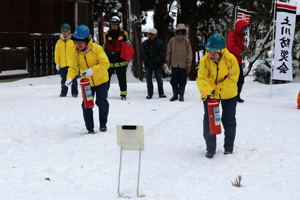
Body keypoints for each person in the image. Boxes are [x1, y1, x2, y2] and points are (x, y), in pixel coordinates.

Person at [197, 33, 240, 158]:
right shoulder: (205, 61)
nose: (211, 55)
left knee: (228, 120)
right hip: (211, 94)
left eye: (214, 52)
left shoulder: (231, 60)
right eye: (209, 51)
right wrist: (208, 92)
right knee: (210, 120)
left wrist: (217, 89)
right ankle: (210, 148)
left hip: (228, 94)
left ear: (221, 51)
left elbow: (232, 79)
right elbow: (202, 78)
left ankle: (228, 147)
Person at [65, 25, 110, 134]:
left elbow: (105, 63)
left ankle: (103, 124)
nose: (78, 44)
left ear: (87, 40)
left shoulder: (96, 49)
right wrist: (70, 77)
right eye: (76, 41)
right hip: (87, 83)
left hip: (102, 81)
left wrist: (93, 70)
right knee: (86, 104)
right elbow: (73, 67)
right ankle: (90, 128)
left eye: (81, 41)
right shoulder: (75, 52)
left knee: (101, 102)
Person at [104, 16, 129, 100]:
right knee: (106, 78)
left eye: (115, 24)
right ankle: (104, 93)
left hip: (120, 59)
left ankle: (123, 94)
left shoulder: (124, 34)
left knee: (122, 78)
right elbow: (105, 46)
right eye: (112, 24)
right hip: (109, 59)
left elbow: (128, 46)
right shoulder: (107, 34)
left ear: (118, 25)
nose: (114, 26)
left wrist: (126, 57)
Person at [166, 23, 192, 102]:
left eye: (182, 31)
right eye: (179, 31)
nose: (180, 32)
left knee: (182, 81)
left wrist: (188, 64)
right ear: (176, 31)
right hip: (174, 64)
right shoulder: (172, 40)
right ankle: (175, 95)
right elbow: (169, 52)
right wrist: (168, 61)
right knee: (173, 81)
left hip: (183, 65)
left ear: (184, 32)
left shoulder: (186, 41)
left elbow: (189, 54)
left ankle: (181, 95)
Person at [226, 20, 250, 103]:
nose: (245, 31)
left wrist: (245, 50)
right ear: (239, 28)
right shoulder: (231, 35)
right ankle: (229, 96)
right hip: (231, 62)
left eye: (246, 29)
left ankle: (237, 96)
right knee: (231, 80)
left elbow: (244, 46)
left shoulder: (242, 37)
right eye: (244, 28)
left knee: (240, 80)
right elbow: (231, 47)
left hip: (238, 62)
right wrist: (241, 52)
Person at [142, 28, 166, 99]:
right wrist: (148, 61)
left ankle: (161, 93)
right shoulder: (145, 43)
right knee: (148, 79)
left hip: (157, 64)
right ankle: (150, 94)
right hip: (148, 64)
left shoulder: (160, 43)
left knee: (159, 79)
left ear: (156, 35)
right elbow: (143, 54)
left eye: (152, 34)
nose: (151, 36)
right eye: (150, 34)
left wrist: (155, 61)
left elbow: (162, 54)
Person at [54, 23, 78, 97]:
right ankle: (63, 92)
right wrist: (57, 63)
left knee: (73, 78)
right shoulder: (59, 42)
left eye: (66, 31)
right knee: (63, 79)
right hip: (63, 64)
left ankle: (74, 92)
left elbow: (77, 52)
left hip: (72, 64)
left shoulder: (73, 41)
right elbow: (56, 53)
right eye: (63, 31)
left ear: (69, 31)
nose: (65, 33)